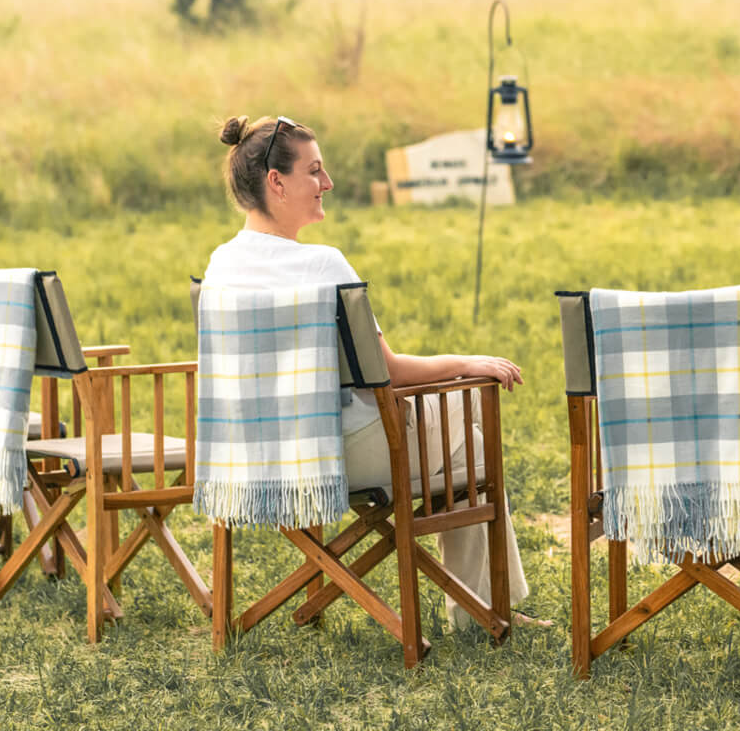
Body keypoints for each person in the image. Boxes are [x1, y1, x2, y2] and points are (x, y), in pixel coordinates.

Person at [202, 115, 548, 630]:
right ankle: (481, 612)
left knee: (459, 443)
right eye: (314, 171)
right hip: (341, 452)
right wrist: (465, 363)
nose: (327, 184)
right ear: (276, 182)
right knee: (470, 423)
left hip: (256, 453)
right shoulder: (323, 266)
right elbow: (386, 371)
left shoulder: (220, 266)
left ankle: (480, 608)